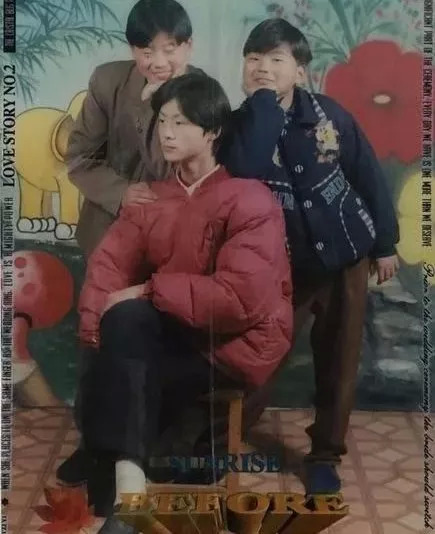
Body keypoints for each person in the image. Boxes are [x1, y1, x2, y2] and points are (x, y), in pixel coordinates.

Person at [78, 73, 292, 532]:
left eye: (181, 123)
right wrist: (97, 331)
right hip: (176, 331)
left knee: (125, 340)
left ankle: (118, 484)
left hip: (232, 344)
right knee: (118, 334)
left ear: (212, 131)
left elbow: (238, 299)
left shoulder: (250, 198)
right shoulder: (152, 197)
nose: (167, 133)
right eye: (162, 121)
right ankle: (130, 491)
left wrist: (150, 290)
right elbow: (109, 266)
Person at [220, 18, 400, 495]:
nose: (262, 68)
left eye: (276, 59)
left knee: (339, 361)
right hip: (283, 270)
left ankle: (325, 455)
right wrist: (263, 106)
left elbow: (367, 175)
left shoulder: (330, 116)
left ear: (300, 71)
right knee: (260, 357)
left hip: (345, 258)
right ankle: (223, 439)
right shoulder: (240, 125)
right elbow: (245, 168)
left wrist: (385, 244)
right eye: (253, 59)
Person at [60, 0, 203, 487]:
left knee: (159, 340)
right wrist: (122, 192)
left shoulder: (202, 91)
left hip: (173, 239)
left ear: (189, 47)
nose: (158, 61)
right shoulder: (107, 82)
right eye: (146, 50)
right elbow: (80, 158)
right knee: (96, 337)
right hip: (109, 231)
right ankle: (93, 446)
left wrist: (163, 104)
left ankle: (152, 445)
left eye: (170, 49)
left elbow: (192, 168)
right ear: (131, 49)